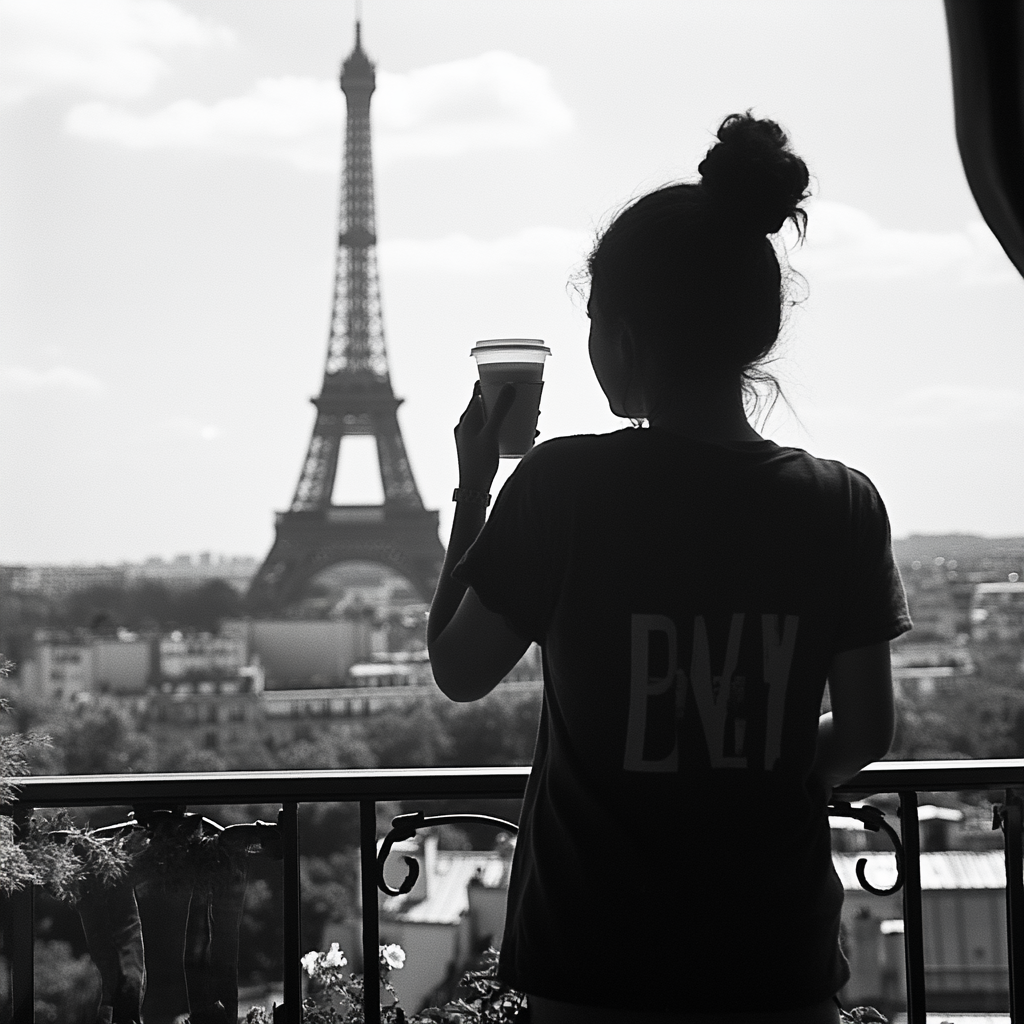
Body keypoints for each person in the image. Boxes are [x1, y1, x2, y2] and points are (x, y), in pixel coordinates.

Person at [427, 112, 911, 1024]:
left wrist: (474, 487)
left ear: (633, 337)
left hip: (596, 954)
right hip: (775, 953)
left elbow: (457, 669)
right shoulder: (843, 502)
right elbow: (865, 731)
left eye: (595, 322)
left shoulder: (563, 483)